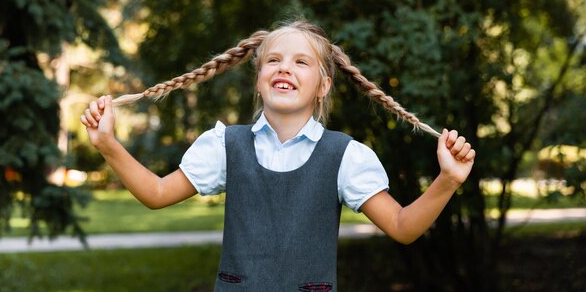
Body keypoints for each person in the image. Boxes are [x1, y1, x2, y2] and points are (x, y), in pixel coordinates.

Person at [81, 20, 475, 292]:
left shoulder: (346, 157)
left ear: (322, 86)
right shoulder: (225, 146)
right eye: (274, 59)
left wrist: (448, 181)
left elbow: (403, 227)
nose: (285, 67)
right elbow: (156, 193)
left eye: (301, 62)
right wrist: (107, 144)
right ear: (259, 78)